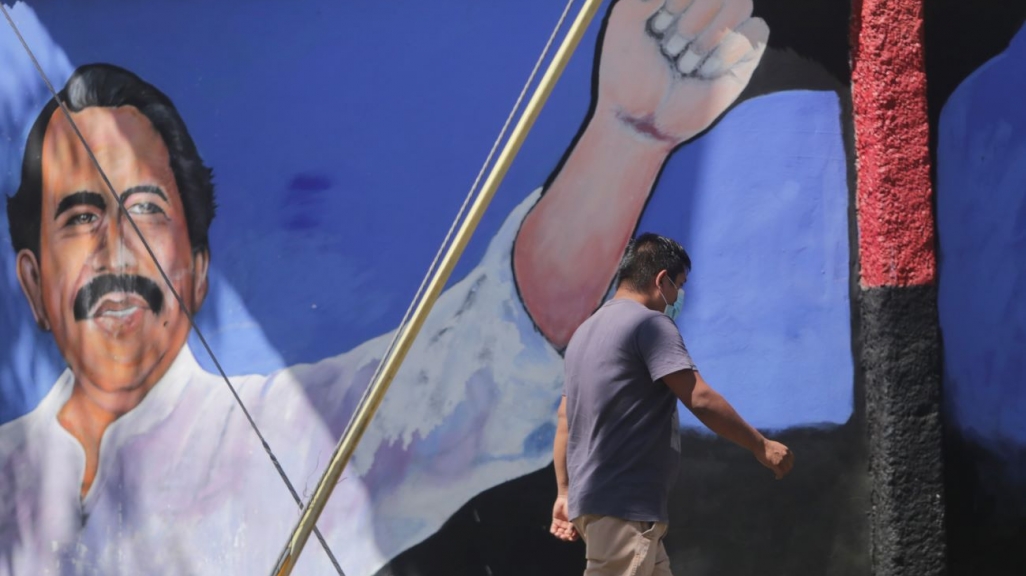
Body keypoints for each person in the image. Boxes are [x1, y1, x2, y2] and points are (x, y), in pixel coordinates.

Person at [0, 0, 772, 573]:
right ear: (32, 281)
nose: (115, 247)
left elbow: (476, 368)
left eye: (145, 208)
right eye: (78, 215)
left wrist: (625, 139)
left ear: (199, 266)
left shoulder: (285, 435)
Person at [549, 234, 795, 575]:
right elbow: (700, 397)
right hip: (625, 508)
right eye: (678, 286)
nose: (677, 298)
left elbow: (565, 417)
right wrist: (760, 445)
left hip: (600, 506)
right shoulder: (649, 324)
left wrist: (564, 492)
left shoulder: (584, 334)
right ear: (661, 280)